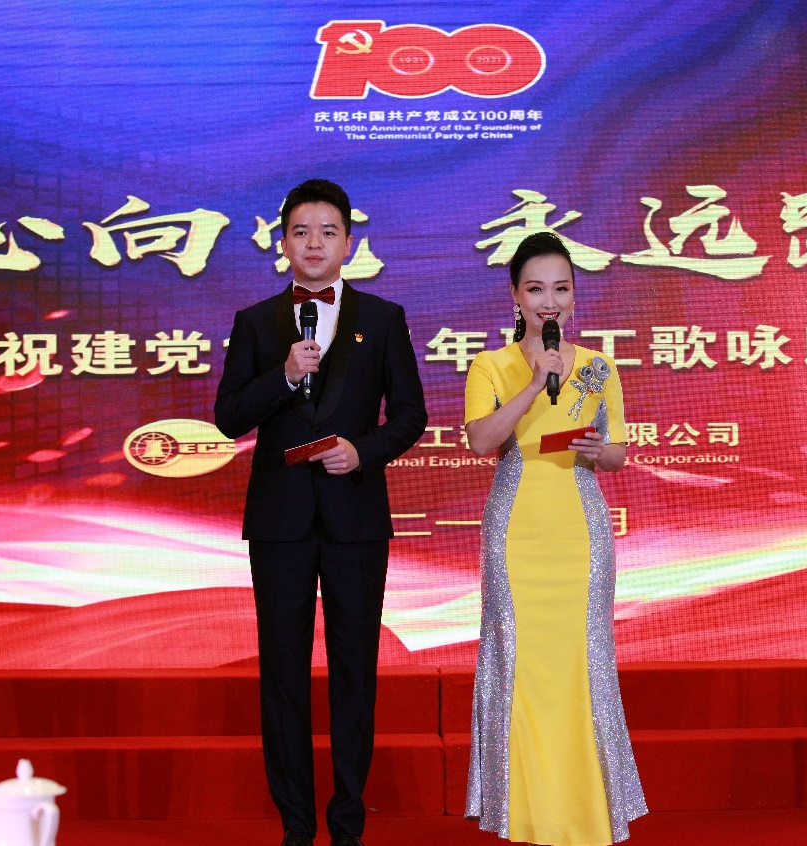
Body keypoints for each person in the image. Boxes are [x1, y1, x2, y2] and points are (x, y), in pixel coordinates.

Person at [215, 178, 427, 846]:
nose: (314, 243)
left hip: (354, 518)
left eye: (328, 231)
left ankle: (347, 822)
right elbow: (228, 418)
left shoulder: (383, 319)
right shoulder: (256, 323)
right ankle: (296, 826)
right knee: (282, 673)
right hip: (278, 521)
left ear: (349, 243)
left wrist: (363, 452)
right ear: (282, 243)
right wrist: (282, 376)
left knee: (354, 670)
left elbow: (411, 415)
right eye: (301, 231)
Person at [463, 232, 647, 845]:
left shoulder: (598, 367)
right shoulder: (491, 365)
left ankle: (584, 815)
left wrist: (599, 449)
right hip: (517, 534)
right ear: (515, 297)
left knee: (579, 665)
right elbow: (482, 441)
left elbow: (617, 452)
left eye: (561, 289)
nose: (550, 301)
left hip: (579, 533)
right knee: (521, 666)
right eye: (536, 289)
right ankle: (527, 815)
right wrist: (532, 382)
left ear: (574, 295)